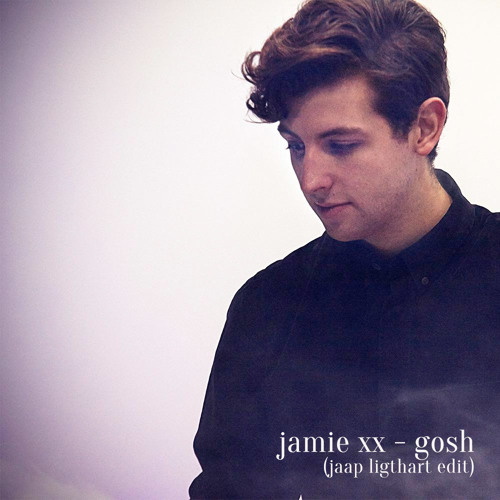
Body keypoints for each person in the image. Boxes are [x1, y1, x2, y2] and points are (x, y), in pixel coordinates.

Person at [189, 0, 500, 498]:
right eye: (296, 146)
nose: (311, 179)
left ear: (425, 127)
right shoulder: (268, 307)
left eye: (340, 145)